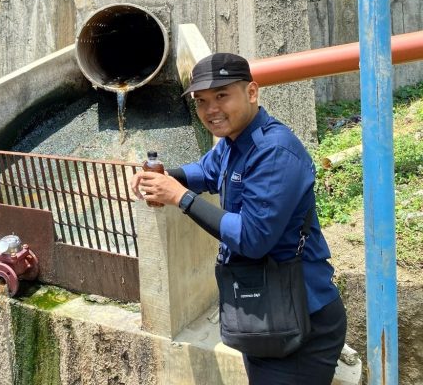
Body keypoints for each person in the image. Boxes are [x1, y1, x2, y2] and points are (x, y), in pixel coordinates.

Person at [130, 52, 346, 385]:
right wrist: (163, 175)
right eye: (201, 101)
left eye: (221, 96)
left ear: (252, 93)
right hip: (265, 309)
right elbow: (205, 171)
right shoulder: (233, 142)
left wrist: (178, 196)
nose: (211, 109)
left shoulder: (274, 152)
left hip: (301, 319)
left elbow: (252, 239)